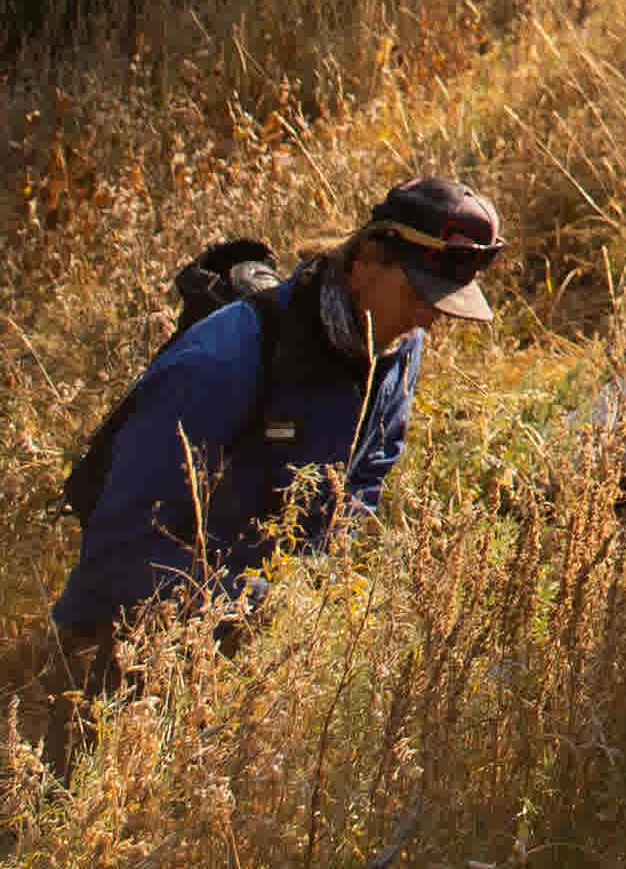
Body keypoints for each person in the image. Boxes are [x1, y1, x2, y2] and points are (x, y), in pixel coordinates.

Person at [52, 176, 499, 679]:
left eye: (440, 305)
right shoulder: (224, 360)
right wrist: (255, 607)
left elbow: (368, 470)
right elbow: (117, 556)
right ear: (368, 259)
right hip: (127, 647)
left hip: (262, 643)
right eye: (420, 294)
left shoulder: (396, 345)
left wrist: (314, 587)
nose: (427, 319)